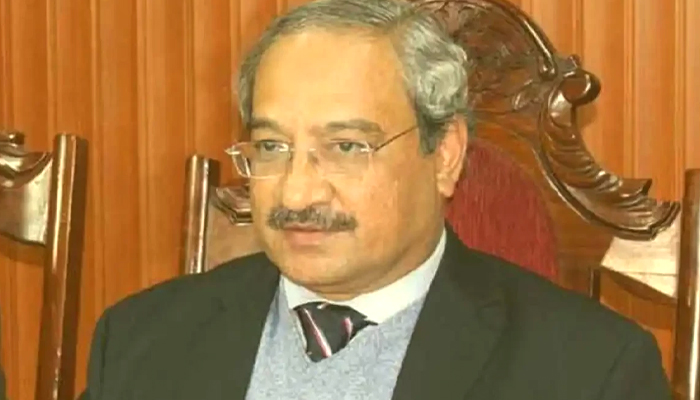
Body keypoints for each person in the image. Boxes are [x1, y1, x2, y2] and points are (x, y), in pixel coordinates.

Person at [79, 0, 671, 399]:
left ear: (445, 155)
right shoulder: (139, 341)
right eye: (273, 146)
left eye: (345, 146)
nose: (297, 191)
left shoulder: (592, 373)